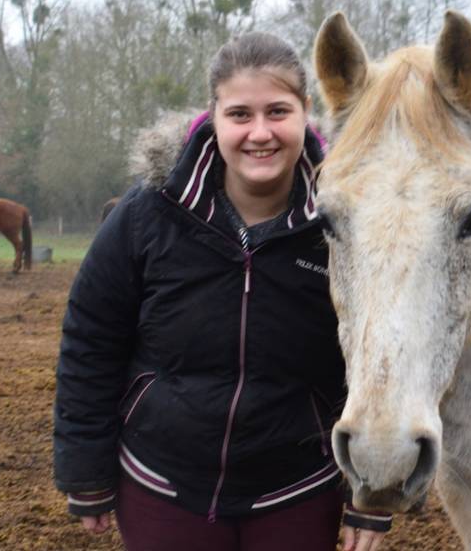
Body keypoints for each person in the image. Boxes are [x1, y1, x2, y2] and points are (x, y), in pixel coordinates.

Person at [53, 32, 391, 551]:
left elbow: (377, 360)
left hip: (297, 491)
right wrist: (84, 467)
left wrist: (370, 493)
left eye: (278, 111)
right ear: (214, 116)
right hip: (161, 486)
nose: (260, 133)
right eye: (240, 114)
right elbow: (90, 338)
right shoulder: (148, 213)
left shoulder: (345, 225)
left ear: (306, 112)